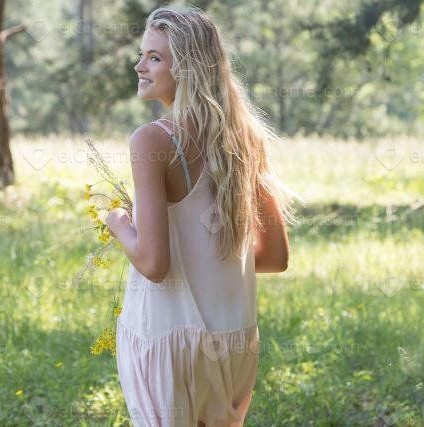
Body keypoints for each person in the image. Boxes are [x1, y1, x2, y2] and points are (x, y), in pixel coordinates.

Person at [106, 5, 298, 426]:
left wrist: (118, 223)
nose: (139, 66)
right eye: (142, 55)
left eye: (154, 57)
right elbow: (275, 257)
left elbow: (154, 264)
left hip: (170, 344)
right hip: (235, 341)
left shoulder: (151, 141)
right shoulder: (247, 140)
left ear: (187, 68)